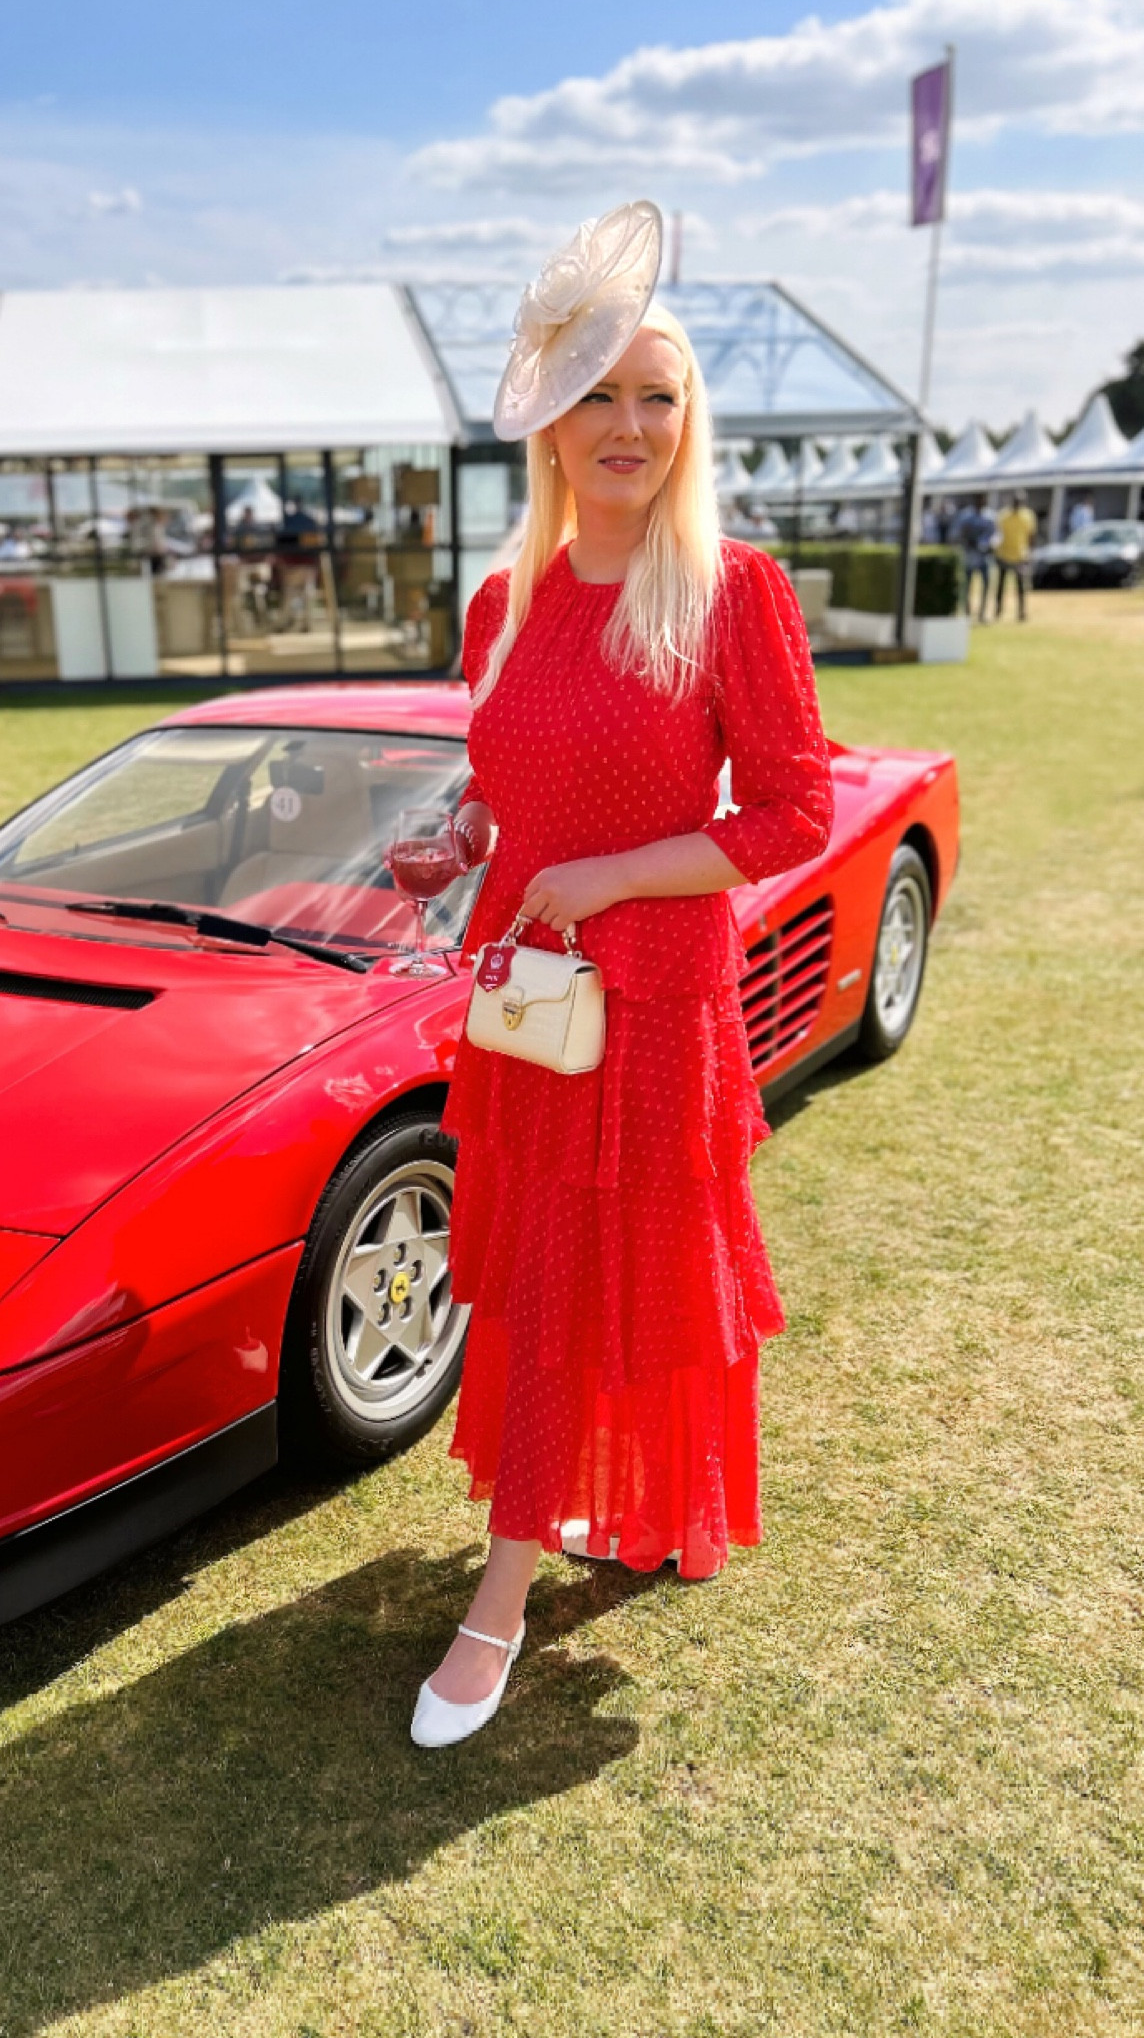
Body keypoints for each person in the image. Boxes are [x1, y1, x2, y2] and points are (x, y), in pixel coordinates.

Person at [411, 203, 833, 1749]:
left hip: (655, 1007)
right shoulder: (503, 604)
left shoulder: (735, 592)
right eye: (601, 393)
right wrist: (463, 839)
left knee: (608, 1280)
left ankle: (498, 1605)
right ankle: (620, 1515)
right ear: (549, 419)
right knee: (537, 1276)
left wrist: (609, 874)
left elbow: (793, 810)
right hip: (529, 1002)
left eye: (660, 397)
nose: (633, 426)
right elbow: (509, 787)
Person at [951, 492, 997, 622]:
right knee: (966, 586)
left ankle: (982, 614)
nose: (981, 501)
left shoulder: (990, 516)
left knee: (987, 585)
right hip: (969, 556)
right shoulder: (966, 517)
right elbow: (956, 534)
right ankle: (967, 612)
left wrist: (991, 544)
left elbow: (996, 535)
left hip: (985, 557)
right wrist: (966, 540)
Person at [993, 489, 1038, 621]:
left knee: (1021, 586)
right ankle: (998, 610)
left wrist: (1030, 553)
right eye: (1016, 501)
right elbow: (997, 534)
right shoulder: (1003, 516)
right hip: (1004, 555)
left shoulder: (1028, 516)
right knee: (1001, 585)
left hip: (1020, 556)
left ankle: (1021, 612)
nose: (1018, 504)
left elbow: (1031, 536)